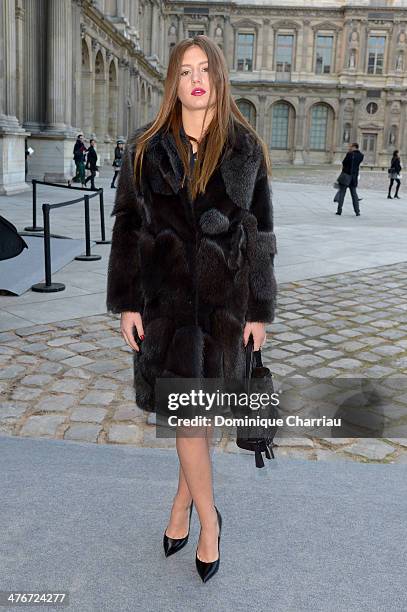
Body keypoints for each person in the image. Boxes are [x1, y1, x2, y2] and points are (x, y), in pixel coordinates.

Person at [106, 35, 277, 583]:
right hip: (168, 309)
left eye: (204, 69)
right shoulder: (145, 146)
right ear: (172, 82)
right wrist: (126, 302)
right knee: (189, 419)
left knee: (195, 422)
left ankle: (183, 508)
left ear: (218, 77)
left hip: (225, 308)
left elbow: (261, 233)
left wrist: (259, 309)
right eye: (185, 70)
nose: (196, 79)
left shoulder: (246, 148)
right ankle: (209, 522)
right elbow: (127, 228)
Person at [335, 142, 364, 216]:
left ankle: (339, 210)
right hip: (354, 177)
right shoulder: (361, 155)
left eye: (350, 146)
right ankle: (357, 211)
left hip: (346, 176)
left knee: (342, 193)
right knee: (354, 195)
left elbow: (344, 162)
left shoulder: (350, 154)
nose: (349, 148)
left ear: (354, 147)